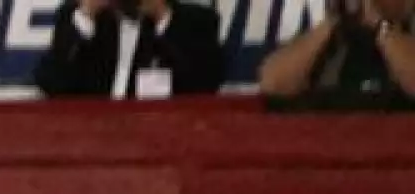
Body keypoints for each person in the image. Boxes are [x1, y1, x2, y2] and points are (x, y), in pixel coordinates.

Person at [36, 0, 227, 98]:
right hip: (91, 141)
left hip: (159, 143)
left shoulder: (196, 21)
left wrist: (162, 18)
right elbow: (52, 85)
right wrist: (86, 18)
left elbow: (204, 86)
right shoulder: (78, 17)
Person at [257, 0, 415, 101]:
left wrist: (381, 27)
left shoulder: (405, 31)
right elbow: (272, 84)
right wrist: (331, 21)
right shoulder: (334, 36)